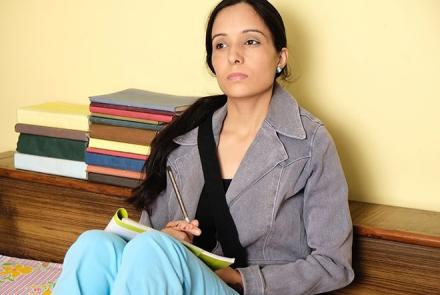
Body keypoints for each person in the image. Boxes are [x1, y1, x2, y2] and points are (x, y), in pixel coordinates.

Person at [53, 0, 354, 294]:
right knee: (94, 245)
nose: (233, 56)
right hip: (173, 279)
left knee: (154, 249)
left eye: (250, 41)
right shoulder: (186, 135)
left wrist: (238, 278)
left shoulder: (311, 142)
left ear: (280, 57)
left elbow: (333, 265)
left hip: (247, 290)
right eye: (221, 45)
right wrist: (169, 236)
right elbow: (146, 244)